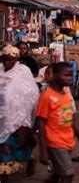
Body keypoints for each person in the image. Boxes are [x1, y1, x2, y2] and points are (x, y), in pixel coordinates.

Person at [36, 62, 79, 183]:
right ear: (54, 76)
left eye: (71, 75)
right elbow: (40, 123)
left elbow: (68, 117)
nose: (70, 78)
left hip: (67, 140)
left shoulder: (65, 94)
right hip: (55, 142)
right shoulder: (47, 96)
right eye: (66, 75)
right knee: (68, 174)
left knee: (58, 172)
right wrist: (43, 150)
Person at [0, 45, 39, 182]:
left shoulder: (23, 71)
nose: (7, 62)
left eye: (11, 59)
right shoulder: (0, 70)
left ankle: (30, 161)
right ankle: (4, 176)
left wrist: (26, 117)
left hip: (18, 118)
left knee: (17, 146)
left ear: (16, 59)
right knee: (3, 148)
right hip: (2, 116)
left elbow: (32, 94)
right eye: (5, 59)